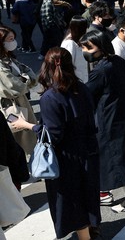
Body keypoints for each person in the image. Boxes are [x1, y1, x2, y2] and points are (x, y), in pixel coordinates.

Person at [10, 48, 101, 240]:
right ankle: (93, 229)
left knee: (72, 200)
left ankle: (86, 237)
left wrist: (25, 125)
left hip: (66, 158)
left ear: (47, 67)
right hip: (88, 150)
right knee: (88, 194)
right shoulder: (82, 87)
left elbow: (53, 135)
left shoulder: (50, 97)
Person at [80, 29, 125, 212]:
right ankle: (107, 193)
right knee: (121, 157)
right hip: (121, 116)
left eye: (87, 47)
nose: (84, 51)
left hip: (107, 120)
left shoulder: (100, 70)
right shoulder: (118, 62)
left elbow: (87, 94)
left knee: (117, 160)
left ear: (99, 47)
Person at [0, 25, 38, 155]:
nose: (13, 42)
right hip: (12, 106)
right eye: (10, 39)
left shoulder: (9, 58)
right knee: (19, 139)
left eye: (13, 38)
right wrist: (25, 80)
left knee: (24, 137)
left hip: (21, 102)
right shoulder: (1, 65)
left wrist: (24, 79)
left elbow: (29, 74)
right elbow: (15, 87)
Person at [60, 15, 89, 83]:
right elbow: (67, 66)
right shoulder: (69, 44)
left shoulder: (77, 40)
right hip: (75, 82)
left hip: (82, 80)